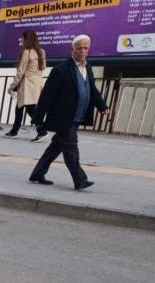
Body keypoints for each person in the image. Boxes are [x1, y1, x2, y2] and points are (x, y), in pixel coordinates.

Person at [28, 34, 109, 190]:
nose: (83, 51)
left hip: (78, 115)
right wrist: (38, 119)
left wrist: (102, 106)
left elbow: (91, 89)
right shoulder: (61, 70)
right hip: (63, 117)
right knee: (71, 148)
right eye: (79, 48)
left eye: (86, 48)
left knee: (56, 147)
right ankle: (80, 180)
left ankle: (37, 173)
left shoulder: (88, 67)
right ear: (72, 49)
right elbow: (47, 96)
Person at [4, 31, 46, 141]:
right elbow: (43, 67)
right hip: (36, 83)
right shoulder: (41, 52)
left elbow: (20, 72)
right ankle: (14, 131)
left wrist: (12, 86)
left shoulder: (26, 52)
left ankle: (42, 130)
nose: (21, 40)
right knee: (19, 107)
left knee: (30, 109)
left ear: (26, 39)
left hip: (27, 84)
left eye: (22, 38)